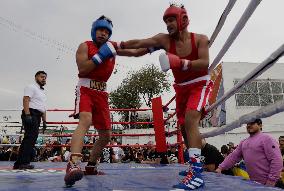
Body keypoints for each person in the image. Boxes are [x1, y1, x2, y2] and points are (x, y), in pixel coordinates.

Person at [116, 4, 211, 189]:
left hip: (199, 83)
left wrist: (181, 62)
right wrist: (114, 48)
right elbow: (138, 47)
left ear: (183, 19)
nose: (168, 24)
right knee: (183, 126)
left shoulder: (200, 39)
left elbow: (204, 63)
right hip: (181, 88)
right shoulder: (164, 40)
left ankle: (197, 174)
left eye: (171, 20)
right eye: (166, 21)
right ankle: (193, 164)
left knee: (191, 119)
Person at [64, 15, 159, 186]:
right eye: (100, 30)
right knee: (85, 120)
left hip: (102, 92)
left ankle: (91, 166)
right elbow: (83, 68)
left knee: (106, 134)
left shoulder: (112, 47)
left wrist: (154, 47)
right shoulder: (85, 46)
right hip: (85, 88)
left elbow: (135, 52)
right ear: (94, 30)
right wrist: (100, 57)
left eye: (107, 32)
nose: (103, 34)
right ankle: (73, 164)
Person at [216, 119, 283, 187]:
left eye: (252, 123)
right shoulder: (244, 142)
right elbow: (233, 156)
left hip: (271, 184)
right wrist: (220, 168)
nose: (249, 125)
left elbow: (277, 160)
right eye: (247, 124)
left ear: (260, 125)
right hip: (256, 184)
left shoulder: (267, 139)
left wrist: (271, 182)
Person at [13, 71, 47, 169]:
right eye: (41, 77)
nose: (43, 79)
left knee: (29, 138)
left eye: (45, 77)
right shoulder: (31, 87)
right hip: (31, 113)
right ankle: (23, 162)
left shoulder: (42, 92)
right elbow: (26, 99)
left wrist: (44, 121)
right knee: (30, 138)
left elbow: (43, 107)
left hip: (38, 115)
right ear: (36, 77)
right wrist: (28, 115)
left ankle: (19, 163)